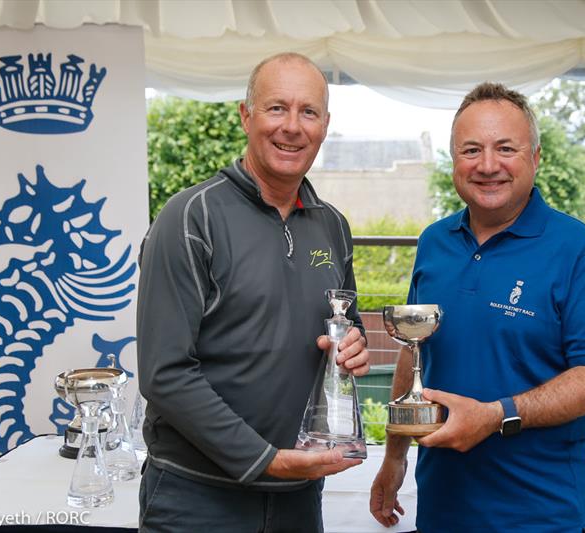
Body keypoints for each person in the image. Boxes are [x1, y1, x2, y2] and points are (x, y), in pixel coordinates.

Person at [370, 82, 585, 533]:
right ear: (454, 161)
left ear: (536, 158)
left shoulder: (580, 250)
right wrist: (394, 455)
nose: (488, 165)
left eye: (505, 148)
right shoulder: (433, 243)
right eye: (471, 150)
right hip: (442, 512)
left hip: (544, 516)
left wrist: (496, 416)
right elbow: (414, 354)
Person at [136, 52, 370, 533]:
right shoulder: (190, 219)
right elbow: (165, 374)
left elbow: (346, 327)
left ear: (325, 124)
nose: (293, 127)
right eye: (276, 108)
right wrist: (266, 459)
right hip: (196, 498)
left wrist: (352, 347)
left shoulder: (332, 226)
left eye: (308, 112)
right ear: (246, 116)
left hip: (299, 499)